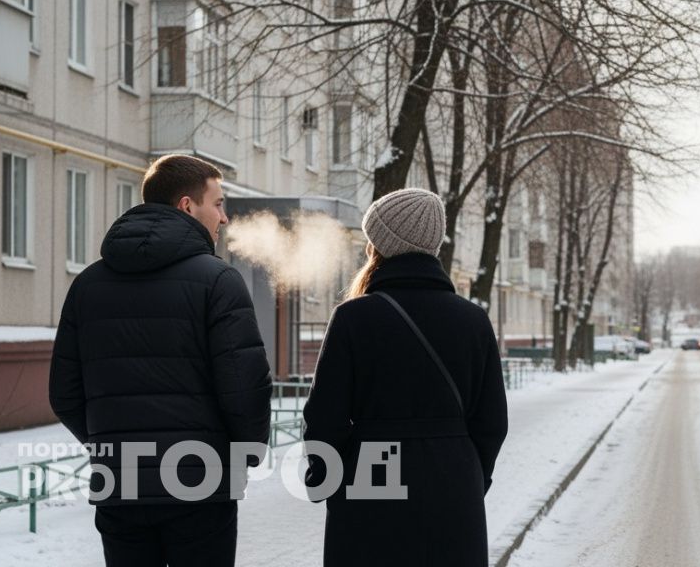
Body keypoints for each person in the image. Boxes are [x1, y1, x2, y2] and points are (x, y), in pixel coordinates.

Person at [49, 154, 273, 567]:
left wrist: (112, 445)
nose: (224, 219)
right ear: (187, 206)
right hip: (201, 482)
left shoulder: (87, 285)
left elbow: (64, 394)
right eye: (219, 203)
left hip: (121, 483)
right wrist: (245, 455)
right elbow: (245, 387)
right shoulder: (219, 281)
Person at [303, 188, 508, 566]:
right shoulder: (474, 320)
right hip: (453, 482)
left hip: (371, 478)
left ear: (381, 246)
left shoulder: (354, 318)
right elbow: (492, 422)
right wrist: (471, 478)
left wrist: (329, 482)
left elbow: (324, 418)